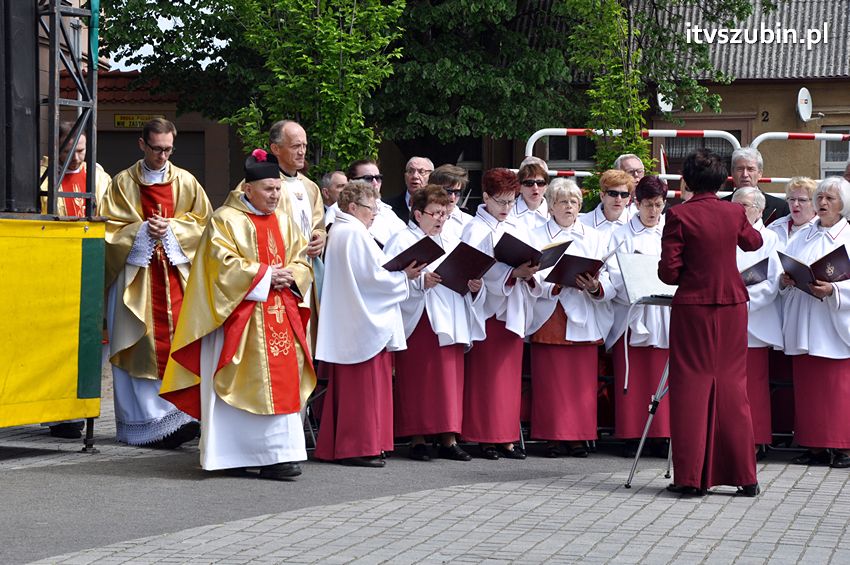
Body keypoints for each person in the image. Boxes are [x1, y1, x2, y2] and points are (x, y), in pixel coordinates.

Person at [159, 150, 314, 479]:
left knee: (283, 383)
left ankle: (279, 455)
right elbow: (219, 266)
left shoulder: (284, 220)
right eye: (269, 189)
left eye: (278, 189)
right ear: (248, 189)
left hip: (278, 315)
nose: (275, 195)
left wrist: (294, 275)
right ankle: (232, 455)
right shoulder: (225, 220)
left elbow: (301, 259)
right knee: (238, 384)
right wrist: (266, 276)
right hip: (237, 319)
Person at [99, 117, 212, 448]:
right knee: (141, 344)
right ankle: (147, 421)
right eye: (157, 149)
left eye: (168, 149)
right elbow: (107, 230)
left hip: (176, 277)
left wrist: (174, 230)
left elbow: (206, 226)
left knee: (179, 343)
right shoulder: (121, 183)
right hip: (137, 280)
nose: (163, 156)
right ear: (142, 145)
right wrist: (142, 232)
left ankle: (182, 416)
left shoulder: (187, 182)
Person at [659, 149, 762, 497]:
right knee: (733, 388)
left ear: (686, 180)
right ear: (724, 181)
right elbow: (754, 242)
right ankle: (746, 477)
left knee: (691, 389)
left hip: (694, 307)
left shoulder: (679, 216)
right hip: (732, 304)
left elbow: (669, 272)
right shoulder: (734, 212)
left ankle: (691, 479)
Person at [314, 181, 425, 467]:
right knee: (362, 392)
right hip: (361, 321)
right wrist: (404, 276)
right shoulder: (352, 232)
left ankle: (366, 444)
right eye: (370, 208)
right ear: (352, 207)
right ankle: (357, 447)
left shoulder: (342, 230)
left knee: (362, 389)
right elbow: (372, 279)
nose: (374, 213)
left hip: (354, 319)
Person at [384, 185, 485, 462]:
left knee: (449, 380)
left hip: (451, 316)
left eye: (444, 213)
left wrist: (474, 285)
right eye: (435, 213)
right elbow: (388, 280)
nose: (441, 219)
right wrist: (418, 281)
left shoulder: (452, 240)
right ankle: (417, 438)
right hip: (422, 318)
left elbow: (467, 275)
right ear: (418, 214)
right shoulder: (401, 239)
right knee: (421, 377)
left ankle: (449, 438)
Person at [527, 178, 614, 458]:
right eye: (562, 201)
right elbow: (530, 271)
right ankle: (551, 436)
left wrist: (594, 286)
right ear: (550, 206)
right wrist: (555, 282)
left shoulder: (596, 237)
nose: (569, 207)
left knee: (580, 382)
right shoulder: (535, 233)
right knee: (551, 379)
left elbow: (613, 275)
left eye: (574, 202)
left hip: (584, 311)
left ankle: (578, 436)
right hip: (550, 312)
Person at [461, 168, 541, 460]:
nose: (507, 208)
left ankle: (507, 436)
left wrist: (529, 272)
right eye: (501, 201)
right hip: (489, 310)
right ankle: (485, 437)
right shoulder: (474, 228)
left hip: (515, 307)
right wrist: (510, 272)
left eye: (511, 201)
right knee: (488, 377)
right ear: (485, 198)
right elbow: (474, 266)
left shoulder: (519, 225)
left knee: (509, 378)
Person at [39, 121, 112, 438]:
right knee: (54, 342)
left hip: (89, 269)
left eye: (82, 150)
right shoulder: (42, 177)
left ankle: (78, 409)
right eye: (71, 151)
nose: (78, 158)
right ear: (56, 150)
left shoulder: (98, 176)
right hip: (53, 273)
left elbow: (111, 216)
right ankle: (58, 414)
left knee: (86, 343)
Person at [780, 176, 850, 469]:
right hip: (804, 319)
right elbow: (785, 265)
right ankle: (816, 446)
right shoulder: (802, 235)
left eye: (829, 199)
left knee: (835, 388)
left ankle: (843, 447)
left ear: (843, 205)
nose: (822, 203)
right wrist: (785, 280)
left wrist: (834, 290)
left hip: (833, 324)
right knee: (808, 387)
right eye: (819, 197)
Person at [605, 176, 670, 458]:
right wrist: (637, 282)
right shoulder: (621, 234)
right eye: (647, 205)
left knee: (661, 373)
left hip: (665, 312)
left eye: (658, 205)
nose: (653, 212)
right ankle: (632, 433)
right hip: (634, 312)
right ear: (636, 203)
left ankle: (663, 434)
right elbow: (614, 270)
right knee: (635, 375)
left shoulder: (670, 231)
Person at [732, 187, 783, 457]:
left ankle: (756, 438)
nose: (739, 211)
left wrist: (742, 302)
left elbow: (772, 280)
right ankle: (728, 437)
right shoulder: (724, 234)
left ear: (760, 210)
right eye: (735, 205)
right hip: (727, 318)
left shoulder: (771, 238)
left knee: (754, 384)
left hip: (755, 319)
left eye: (745, 206)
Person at [324, 159, 406, 245]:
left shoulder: (387, 211)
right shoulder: (336, 211)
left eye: (378, 178)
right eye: (368, 178)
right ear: (351, 182)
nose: (375, 183)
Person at [40, 121, 111, 216]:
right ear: (56, 148)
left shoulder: (99, 177)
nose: (75, 158)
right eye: (67, 152)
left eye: (80, 151)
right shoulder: (41, 177)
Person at [728, 147, 790, 223]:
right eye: (740, 169)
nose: (745, 174)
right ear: (732, 172)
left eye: (750, 169)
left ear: (760, 173)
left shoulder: (781, 207)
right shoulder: (721, 206)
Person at [579, 169, 635, 241]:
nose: (618, 199)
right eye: (613, 194)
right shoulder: (582, 223)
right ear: (602, 196)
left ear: (629, 199)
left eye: (624, 195)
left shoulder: (636, 224)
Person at [766, 177, 817, 250]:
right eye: (792, 199)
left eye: (802, 200)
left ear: (814, 203)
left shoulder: (820, 229)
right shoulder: (775, 227)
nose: (795, 204)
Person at [428, 164, 472, 240]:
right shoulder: (420, 218)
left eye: (457, 192)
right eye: (447, 191)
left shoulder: (469, 222)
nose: (452, 197)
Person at [387, 156, 434, 222]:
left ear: (431, 176)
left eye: (421, 172)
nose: (415, 176)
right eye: (410, 171)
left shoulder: (439, 207)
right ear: (405, 176)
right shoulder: (387, 207)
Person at [510, 162, 549, 233]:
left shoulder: (555, 211)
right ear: (519, 187)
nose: (535, 188)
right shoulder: (507, 210)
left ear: (546, 187)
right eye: (529, 183)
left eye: (540, 183)